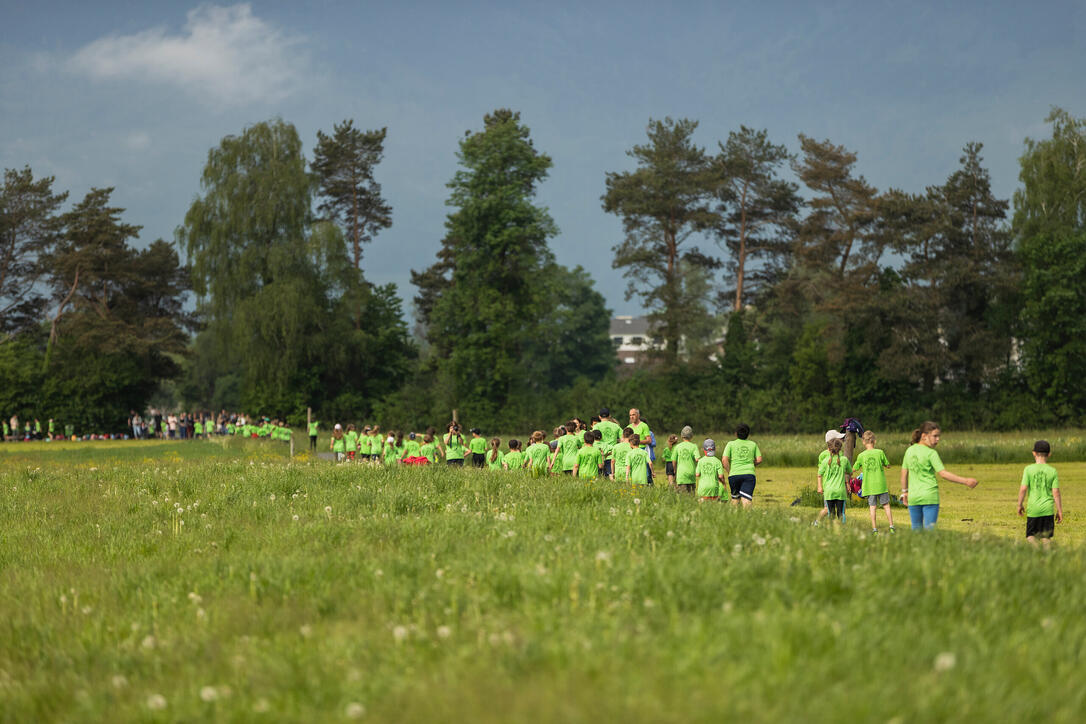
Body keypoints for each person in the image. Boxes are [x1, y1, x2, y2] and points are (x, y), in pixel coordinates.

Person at [900, 421, 979, 530]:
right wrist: (965, 481)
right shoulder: (931, 453)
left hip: (913, 497)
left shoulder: (909, 451)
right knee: (930, 532)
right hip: (930, 497)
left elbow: (904, 474)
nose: (938, 439)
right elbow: (943, 474)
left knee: (916, 531)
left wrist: (904, 493)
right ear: (924, 436)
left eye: (939, 436)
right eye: (935, 436)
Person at [1017, 440, 1062, 547]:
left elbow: (1023, 489)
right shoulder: (1053, 471)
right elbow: (1056, 492)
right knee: (1046, 538)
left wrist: (1019, 504)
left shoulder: (1028, 469)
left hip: (1033, 510)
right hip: (1048, 510)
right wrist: (1059, 510)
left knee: (1030, 536)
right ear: (1049, 454)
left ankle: (1037, 552)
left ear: (1034, 453)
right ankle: (1047, 558)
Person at [854, 430, 895, 533]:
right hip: (881, 485)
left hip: (869, 486)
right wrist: (886, 465)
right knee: (886, 505)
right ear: (874, 441)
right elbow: (888, 465)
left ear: (863, 442)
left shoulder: (861, 455)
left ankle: (875, 529)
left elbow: (854, 468)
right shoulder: (880, 452)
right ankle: (891, 527)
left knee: (873, 507)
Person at [723, 423, 763, 507]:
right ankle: (747, 518)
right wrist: (751, 465)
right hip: (749, 475)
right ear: (748, 434)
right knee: (746, 499)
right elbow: (759, 459)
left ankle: (734, 518)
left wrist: (729, 472)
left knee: (735, 499)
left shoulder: (730, 444)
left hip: (734, 475)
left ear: (736, 433)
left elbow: (724, 460)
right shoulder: (753, 444)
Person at [818, 436, 852, 523]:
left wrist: (820, 487)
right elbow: (850, 472)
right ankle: (842, 530)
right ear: (840, 449)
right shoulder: (844, 460)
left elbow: (819, 475)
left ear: (829, 449)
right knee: (841, 513)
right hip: (840, 491)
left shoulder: (825, 461)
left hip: (829, 491)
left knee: (831, 513)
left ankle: (831, 530)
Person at [592, 408, 623, 478]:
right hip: (612, 455)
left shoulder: (596, 426)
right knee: (611, 476)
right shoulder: (616, 426)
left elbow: (593, 440)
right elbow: (623, 439)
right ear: (609, 416)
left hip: (599, 455)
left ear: (599, 417)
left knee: (599, 478)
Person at [672, 426, 700, 494]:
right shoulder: (694, 446)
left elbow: (674, 460)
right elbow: (697, 459)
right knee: (691, 495)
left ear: (682, 436)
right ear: (691, 436)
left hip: (681, 474)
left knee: (683, 497)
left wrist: (675, 470)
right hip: (691, 473)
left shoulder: (677, 447)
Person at [628, 409, 652, 483]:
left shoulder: (644, 426)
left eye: (633, 415)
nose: (631, 417)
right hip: (632, 451)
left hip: (642, 450)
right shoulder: (628, 427)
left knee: (647, 473)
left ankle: (650, 487)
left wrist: (637, 441)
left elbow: (649, 440)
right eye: (630, 415)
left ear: (638, 415)